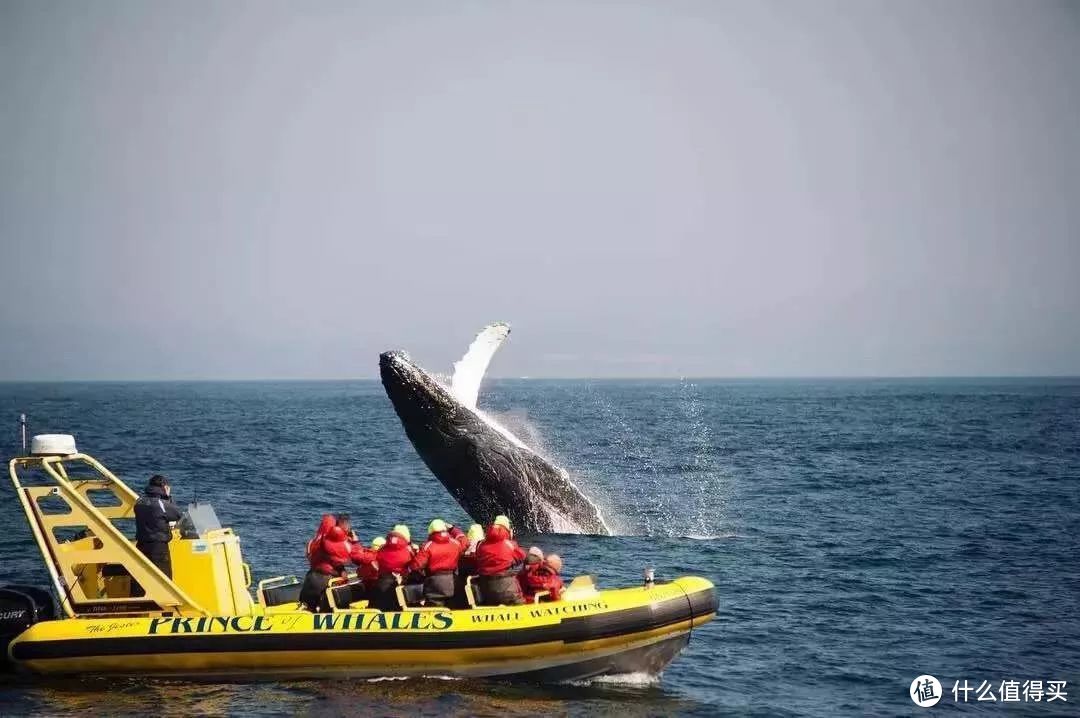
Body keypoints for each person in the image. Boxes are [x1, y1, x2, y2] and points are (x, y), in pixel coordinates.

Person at [299, 514, 354, 612]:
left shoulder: (312, 542)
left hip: (310, 579)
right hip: (326, 583)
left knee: (310, 609)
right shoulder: (332, 543)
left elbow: (310, 556)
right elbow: (344, 559)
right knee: (328, 611)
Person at [410, 519, 468, 607]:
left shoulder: (428, 546)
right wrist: (453, 529)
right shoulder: (455, 543)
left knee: (433, 608)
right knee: (453, 606)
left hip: (434, 585)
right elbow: (464, 540)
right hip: (453, 582)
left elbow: (416, 566)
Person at [134, 474, 182, 579]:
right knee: (163, 579)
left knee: (142, 579)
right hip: (158, 548)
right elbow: (177, 514)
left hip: (141, 545)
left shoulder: (139, 502)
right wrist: (167, 496)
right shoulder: (161, 503)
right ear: (164, 487)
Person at [475, 515, 527, 606]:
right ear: (507, 530)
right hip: (508, 592)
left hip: (485, 593)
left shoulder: (480, 545)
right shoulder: (509, 544)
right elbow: (522, 556)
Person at [371, 524, 414, 611]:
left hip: (382, 584)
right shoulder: (408, 550)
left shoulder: (382, 548)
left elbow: (375, 562)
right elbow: (414, 565)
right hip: (401, 585)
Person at [452, 524, 485, 608]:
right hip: (478, 588)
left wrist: (453, 529)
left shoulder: (462, 547)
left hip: (462, 587)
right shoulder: (483, 548)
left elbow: (460, 537)